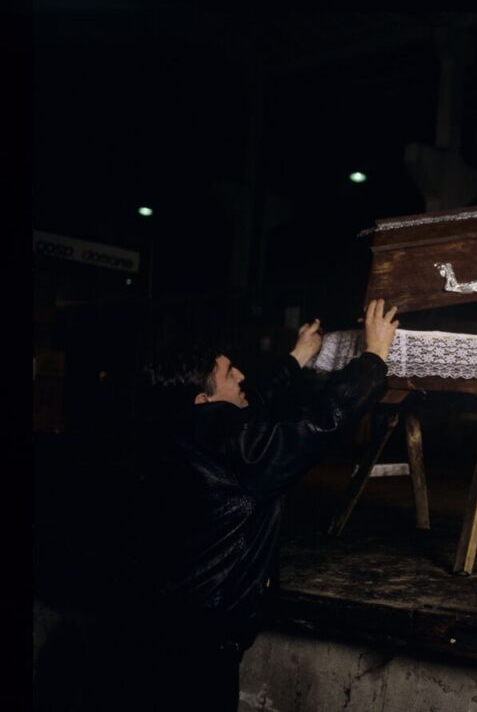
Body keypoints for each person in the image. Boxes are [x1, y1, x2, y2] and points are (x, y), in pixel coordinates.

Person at [83, 299, 398, 711]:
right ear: (202, 402)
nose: (243, 376)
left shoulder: (174, 427)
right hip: (196, 639)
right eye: (232, 373)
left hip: (159, 619)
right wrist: (372, 359)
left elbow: (247, 403)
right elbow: (313, 428)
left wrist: (295, 358)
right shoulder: (228, 439)